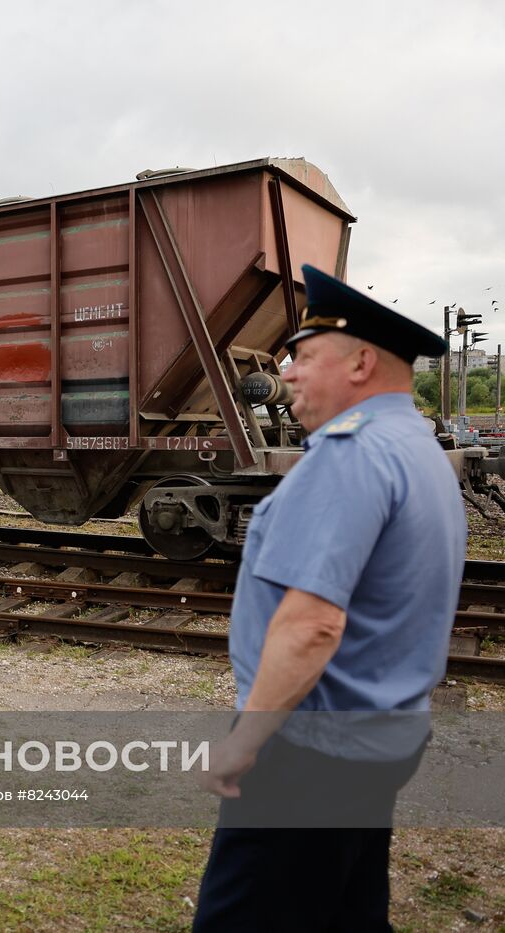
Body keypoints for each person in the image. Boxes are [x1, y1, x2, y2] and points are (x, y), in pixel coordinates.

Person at [192, 264, 466, 930]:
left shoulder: (351, 455)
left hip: (308, 752)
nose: (286, 373)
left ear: (362, 363)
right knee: (347, 906)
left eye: (305, 356)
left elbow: (310, 625)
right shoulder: (417, 447)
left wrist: (244, 741)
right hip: (383, 737)